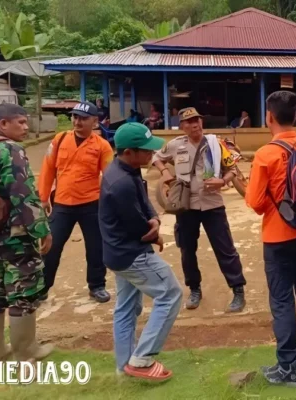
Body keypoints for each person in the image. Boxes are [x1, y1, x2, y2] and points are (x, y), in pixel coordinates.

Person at [245, 91, 296, 385]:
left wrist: (273, 205)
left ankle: (288, 367)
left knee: (281, 299)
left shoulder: (266, 154)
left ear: (269, 117)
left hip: (278, 236)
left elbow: (254, 202)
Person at [99, 122, 182, 381]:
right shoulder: (120, 183)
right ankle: (142, 359)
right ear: (128, 151)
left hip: (117, 253)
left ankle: (124, 366)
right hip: (131, 254)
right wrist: (154, 231)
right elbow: (139, 228)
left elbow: (144, 203)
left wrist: (154, 219)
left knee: (126, 309)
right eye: (146, 150)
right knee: (170, 294)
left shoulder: (125, 170)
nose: (151, 154)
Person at [0, 104, 54, 363]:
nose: (26, 127)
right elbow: (23, 194)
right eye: (20, 122)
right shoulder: (9, 149)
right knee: (23, 290)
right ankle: (26, 351)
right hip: (15, 234)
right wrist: (42, 230)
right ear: (3, 124)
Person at [152, 107, 247, 312]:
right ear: (183, 126)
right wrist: (165, 172)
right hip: (186, 207)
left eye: (197, 120)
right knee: (187, 251)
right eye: (190, 121)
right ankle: (194, 289)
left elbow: (232, 169)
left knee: (226, 250)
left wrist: (222, 180)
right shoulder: (176, 145)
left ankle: (238, 290)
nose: (195, 124)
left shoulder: (216, 143)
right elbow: (156, 157)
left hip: (213, 204)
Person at [38, 101, 114, 303]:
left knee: (96, 247)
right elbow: (48, 169)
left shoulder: (102, 146)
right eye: (75, 117)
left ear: (95, 121)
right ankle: (42, 287)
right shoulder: (59, 139)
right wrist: (44, 197)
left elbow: (109, 178)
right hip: (62, 204)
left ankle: (97, 286)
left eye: (83, 118)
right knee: (51, 246)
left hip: (91, 204)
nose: (77, 121)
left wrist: (111, 206)